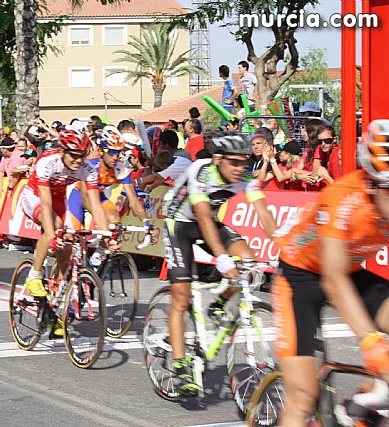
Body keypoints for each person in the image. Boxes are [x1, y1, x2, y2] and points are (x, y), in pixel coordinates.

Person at [271, 120, 389, 426]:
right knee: (303, 397)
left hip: (351, 273)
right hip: (301, 276)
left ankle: (361, 407)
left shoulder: (380, 197)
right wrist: (371, 342)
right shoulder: (344, 198)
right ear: (372, 184)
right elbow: (333, 280)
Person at [161, 131, 277, 396]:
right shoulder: (201, 172)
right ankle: (180, 367)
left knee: (249, 264)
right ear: (217, 158)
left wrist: (285, 245)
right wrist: (222, 258)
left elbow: (264, 212)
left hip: (208, 223)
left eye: (244, 162)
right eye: (234, 162)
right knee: (181, 297)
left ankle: (220, 303)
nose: (240, 168)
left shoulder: (246, 177)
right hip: (179, 224)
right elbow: (202, 217)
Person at [18, 130, 113, 332]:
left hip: (59, 199)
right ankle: (34, 276)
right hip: (34, 196)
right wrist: (51, 236)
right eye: (74, 155)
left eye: (82, 155)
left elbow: (96, 206)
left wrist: (107, 235)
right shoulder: (48, 162)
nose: (78, 161)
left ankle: (54, 308)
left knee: (66, 256)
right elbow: (45, 203)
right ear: (62, 151)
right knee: (56, 224)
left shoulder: (87, 168)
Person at [65, 126, 158, 266]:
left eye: (118, 153)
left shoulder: (120, 169)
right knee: (74, 245)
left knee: (114, 221)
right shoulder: (91, 165)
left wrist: (147, 222)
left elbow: (133, 199)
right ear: (102, 151)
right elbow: (86, 198)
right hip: (79, 198)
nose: (115, 157)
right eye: (111, 152)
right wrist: (101, 222)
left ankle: (98, 256)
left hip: (99, 197)